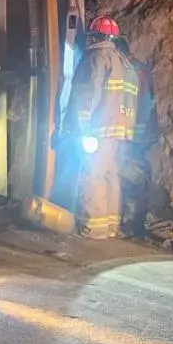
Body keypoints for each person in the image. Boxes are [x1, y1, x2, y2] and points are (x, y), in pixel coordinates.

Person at [62, 14, 138, 239]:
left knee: (92, 175)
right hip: (120, 132)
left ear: (95, 36)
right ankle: (111, 226)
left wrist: (80, 127)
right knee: (110, 175)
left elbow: (87, 95)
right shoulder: (124, 62)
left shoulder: (96, 57)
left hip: (99, 129)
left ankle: (93, 228)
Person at [117, 37, 157, 240]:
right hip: (137, 133)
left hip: (137, 135)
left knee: (134, 177)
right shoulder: (135, 68)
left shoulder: (135, 71)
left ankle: (134, 224)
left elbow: (142, 106)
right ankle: (132, 222)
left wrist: (133, 135)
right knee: (133, 177)